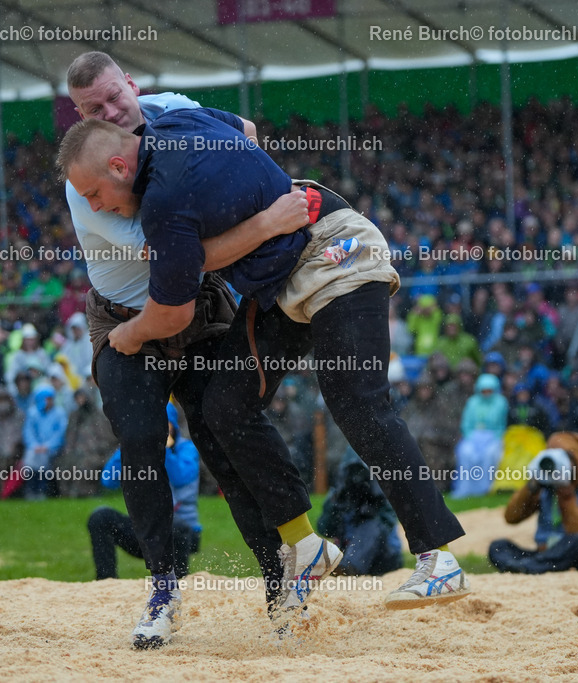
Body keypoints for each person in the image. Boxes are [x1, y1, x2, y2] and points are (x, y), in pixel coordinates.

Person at [58, 104, 469, 611]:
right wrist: (264, 217)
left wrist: (127, 334)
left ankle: (438, 558)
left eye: (93, 194)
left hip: (335, 249)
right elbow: (247, 131)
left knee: (358, 401)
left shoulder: (161, 204)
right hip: (280, 280)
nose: (95, 208)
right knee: (224, 405)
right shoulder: (176, 122)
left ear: (120, 166)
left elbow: (172, 313)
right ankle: (305, 545)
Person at [62, 51, 339, 647]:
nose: (111, 112)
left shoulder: (173, 110)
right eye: (92, 108)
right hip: (129, 316)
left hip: (200, 305)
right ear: (80, 118)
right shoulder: (85, 181)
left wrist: (229, 190)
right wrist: (266, 221)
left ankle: (285, 586)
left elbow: (246, 134)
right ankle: (163, 590)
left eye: (114, 97)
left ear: (132, 84)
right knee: (141, 441)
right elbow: (177, 256)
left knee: (225, 433)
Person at [88, 404, 201, 586]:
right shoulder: (137, 450)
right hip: (145, 531)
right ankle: (106, 584)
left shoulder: (186, 449)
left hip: (181, 532)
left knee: (176, 527)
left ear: (171, 425)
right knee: (100, 517)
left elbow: (181, 477)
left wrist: (163, 447)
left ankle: (177, 585)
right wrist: (127, 446)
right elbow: (108, 481)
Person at [489, 432, 578, 573]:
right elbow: (511, 517)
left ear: (577, 463)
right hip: (546, 555)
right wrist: (530, 489)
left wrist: (567, 497)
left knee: (577, 542)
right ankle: (526, 566)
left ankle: (526, 566)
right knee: (498, 547)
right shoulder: (546, 486)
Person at [317, 448, 403, 577]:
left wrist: (374, 500)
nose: (357, 479)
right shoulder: (340, 494)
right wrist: (335, 502)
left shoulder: (380, 491)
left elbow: (388, 524)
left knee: (371, 525)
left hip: (382, 557)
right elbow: (324, 529)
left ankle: (349, 567)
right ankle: (345, 567)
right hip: (347, 551)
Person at [21, 386, 67, 500]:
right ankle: (32, 489)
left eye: (51, 399)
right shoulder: (33, 413)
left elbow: (60, 433)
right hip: (35, 448)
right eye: (48, 399)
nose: (50, 401)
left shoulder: (59, 413)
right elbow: (28, 432)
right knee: (31, 459)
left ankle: (41, 489)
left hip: (53, 448)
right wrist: (34, 445)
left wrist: (48, 445)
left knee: (43, 459)